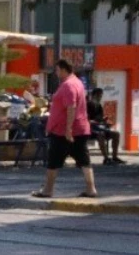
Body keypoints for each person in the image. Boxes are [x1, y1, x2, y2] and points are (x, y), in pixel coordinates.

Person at [32, 59, 98, 198]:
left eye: (57, 70)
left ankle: (48, 190)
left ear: (63, 69)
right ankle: (91, 188)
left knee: (53, 161)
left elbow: (71, 107)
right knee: (83, 159)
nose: (56, 73)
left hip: (63, 131)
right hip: (79, 128)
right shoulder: (77, 82)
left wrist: (68, 129)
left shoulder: (68, 85)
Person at [87, 87, 125, 165]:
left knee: (116, 134)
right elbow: (85, 119)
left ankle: (114, 157)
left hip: (100, 127)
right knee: (101, 135)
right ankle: (106, 158)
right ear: (94, 95)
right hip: (91, 128)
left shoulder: (99, 105)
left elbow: (100, 118)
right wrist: (93, 122)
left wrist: (105, 120)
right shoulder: (88, 104)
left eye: (101, 95)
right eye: (99, 95)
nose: (100, 97)